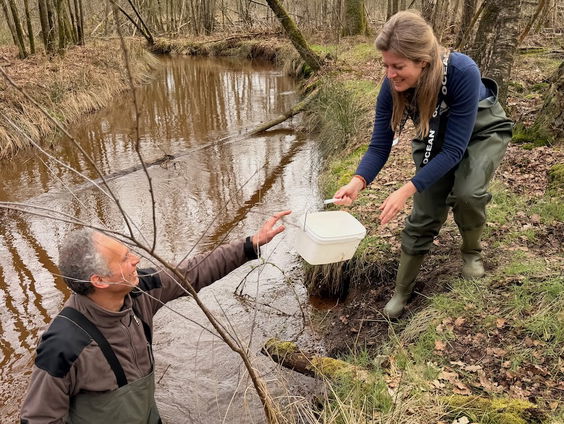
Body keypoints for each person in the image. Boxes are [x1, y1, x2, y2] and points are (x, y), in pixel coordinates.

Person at [20, 210, 291, 423]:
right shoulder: (62, 345)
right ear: (99, 280)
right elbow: (38, 418)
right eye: (125, 259)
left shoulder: (140, 292)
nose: (136, 259)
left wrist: (250, 245)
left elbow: (191, 272)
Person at [334, 10, 513, 318]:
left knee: (467, 193)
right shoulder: (391, 86)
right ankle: (402, 292)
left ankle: (471, 252)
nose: (390, 74)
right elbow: (379, 145)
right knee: (425, 211)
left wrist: (406, 188)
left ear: (423, 61)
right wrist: (357, 181)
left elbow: (456, 150)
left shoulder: (461, 71)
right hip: (434, 135)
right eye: (386, 65)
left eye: (398, 66)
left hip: (481, 132)